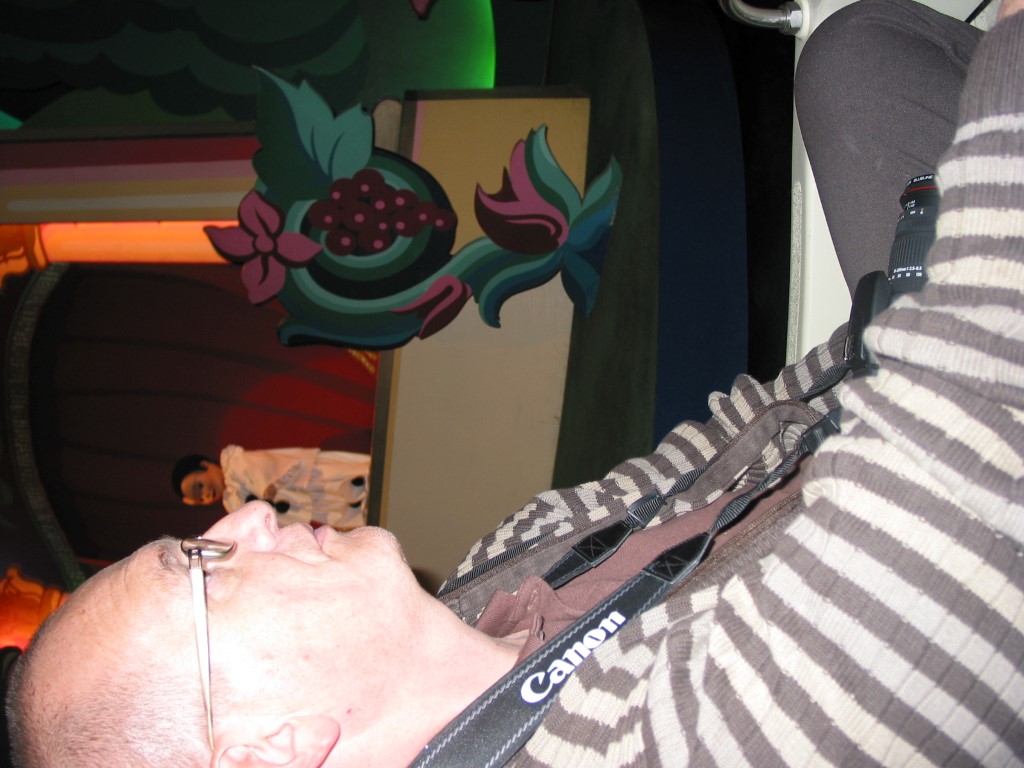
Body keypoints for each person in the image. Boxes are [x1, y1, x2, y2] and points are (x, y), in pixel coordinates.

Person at [7, 0, 1024, 765]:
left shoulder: (491, 579)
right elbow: (977, 430)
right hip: (989, 455)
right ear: (271, 749)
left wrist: (894, 329)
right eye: (203, 568)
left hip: (909, 411)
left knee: (860, 58)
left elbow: (755, 428)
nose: (244, 517)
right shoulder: (674, 749)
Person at [172, 446, 371, 530]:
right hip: (308, 507)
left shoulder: (236, 464)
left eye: (199, 486)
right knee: (349, 513)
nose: (206, 495)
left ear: (205, 465)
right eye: (200, 500)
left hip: (310, 478)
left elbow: (274, 467)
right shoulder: (232, 504)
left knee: (352, 481)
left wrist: (273, 487)